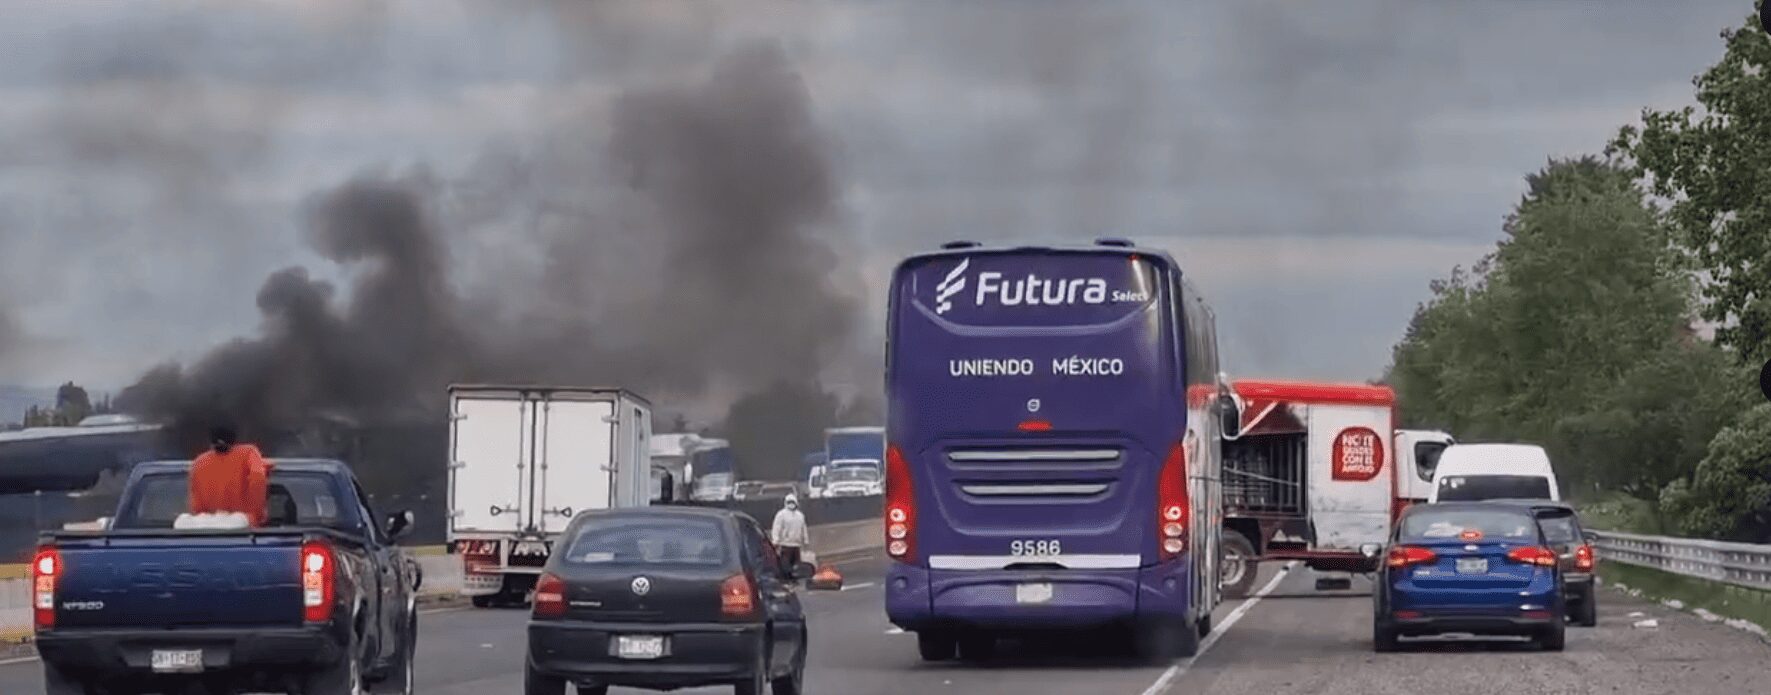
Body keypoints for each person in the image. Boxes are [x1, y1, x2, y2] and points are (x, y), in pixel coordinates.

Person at [187, 424, 272, 527]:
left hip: (208, 527)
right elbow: (258, 478)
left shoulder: (199, 462)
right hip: (244, 526)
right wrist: (256, 514)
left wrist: (203, 519)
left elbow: (196, 502)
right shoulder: (248, 453)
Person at [771, 493, 809, 569]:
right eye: (789, 502)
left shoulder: (800, 515)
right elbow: (777, 528)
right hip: (785, 545)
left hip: (796, 545)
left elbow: (803, 528)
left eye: (792, 502)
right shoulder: (781, 514)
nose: (791, 504)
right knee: (786, 567)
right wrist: (775, 540)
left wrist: (806, 540)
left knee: (796, 567)